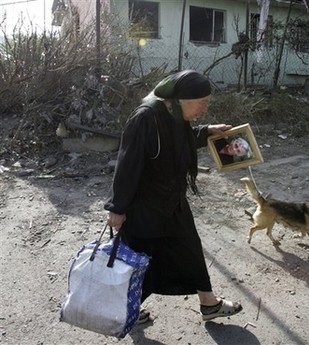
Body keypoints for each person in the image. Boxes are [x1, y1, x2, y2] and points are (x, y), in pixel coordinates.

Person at [105, 70, 243, 324]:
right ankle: (124, 311)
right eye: (202, 102)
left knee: (190, 250)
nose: (205, 108)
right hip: (144, 209)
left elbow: (178, 140)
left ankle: (209, 303)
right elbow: (127, 164)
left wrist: (207, 131)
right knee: (142, 264)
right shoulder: (145, 118)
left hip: (172, 203)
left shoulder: (174, 115)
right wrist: (117, 207)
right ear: (181, 98)